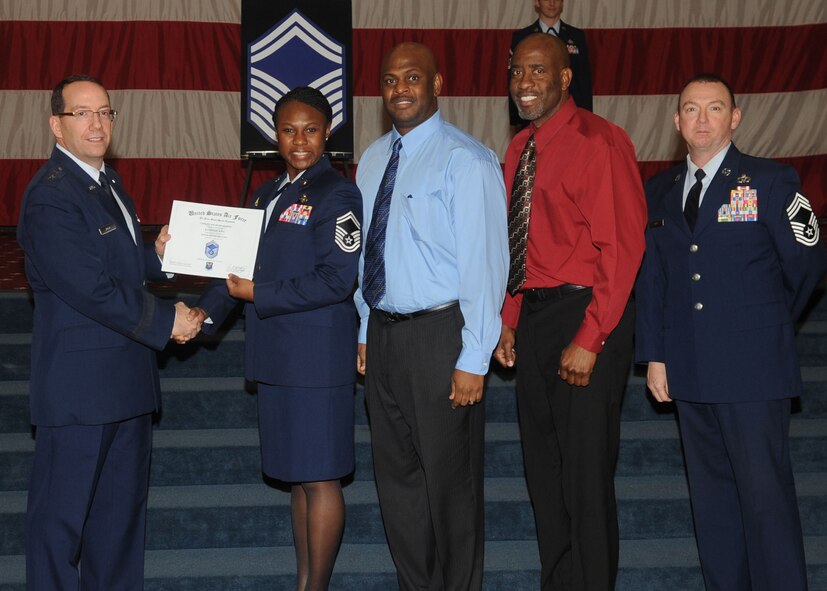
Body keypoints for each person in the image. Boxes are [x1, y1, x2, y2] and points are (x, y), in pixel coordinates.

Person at [635, 73, 827, 591]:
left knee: (766, 501)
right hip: (690, 368)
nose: (702, 119)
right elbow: (654, 278)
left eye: (714, 108)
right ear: (676, 121)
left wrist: (763, 323)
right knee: (713, 502)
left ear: (735, 118)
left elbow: (808, 262)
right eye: (691, 109)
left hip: (753, 370)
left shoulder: (770, 180)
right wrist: (655, 354)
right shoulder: (658, 191)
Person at [17, 74, 200, 590]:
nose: (97, 124)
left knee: (118, 532)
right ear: (57, 125)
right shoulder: (50, 196)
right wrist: (170, 321)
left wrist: (157, 257)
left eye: (105, 112)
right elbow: (89, 288)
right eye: (83, 113)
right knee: (60, 530)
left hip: (127, 385)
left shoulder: (108, 181)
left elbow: (115, 268)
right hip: (79, 393)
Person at [191, 87, 362, 591]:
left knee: (321, 476)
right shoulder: (266, 194)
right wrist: (201, 316)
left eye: (311, 129)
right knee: (298, 476)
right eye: (288, 130)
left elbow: (337, 279)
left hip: (316, 360)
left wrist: (258, 292)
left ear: (328, 132)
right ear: (275, 134)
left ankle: (317, 587)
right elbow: (235, 269)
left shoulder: (339, 193)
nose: (300, 141)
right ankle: (303, 582)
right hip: (276, 359)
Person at [494, 34, 647, 590]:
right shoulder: (518, 150)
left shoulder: (600, 142)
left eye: (537, 71)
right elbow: (517, 245)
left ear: (564, 78)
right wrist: (509, 318)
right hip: (533, 316)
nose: (524, 83)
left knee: (584, 479)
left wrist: (592, 335)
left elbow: (623, 248)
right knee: (545, 472)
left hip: (588, 313)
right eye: (516, 73)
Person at [353, 42, 508, 590]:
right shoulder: (372, 160)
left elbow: (486, 264)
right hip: (385, 337)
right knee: (397, 485)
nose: (400, 89)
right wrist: (366, 328)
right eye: (391, 79)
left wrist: (474, 355)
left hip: (443, 339)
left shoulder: (466, 160)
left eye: (412, 78)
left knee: (451, 488)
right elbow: (366, 251)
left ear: (437, 84)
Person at [509, 0, 593, 132]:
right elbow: (515, 79)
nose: (552, 3)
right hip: (532, 117)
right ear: (537, 2)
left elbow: (584, 81)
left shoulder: (576, 36)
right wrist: (517, 121)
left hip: (570, 118)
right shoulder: (522, 37)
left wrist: (586, 117)